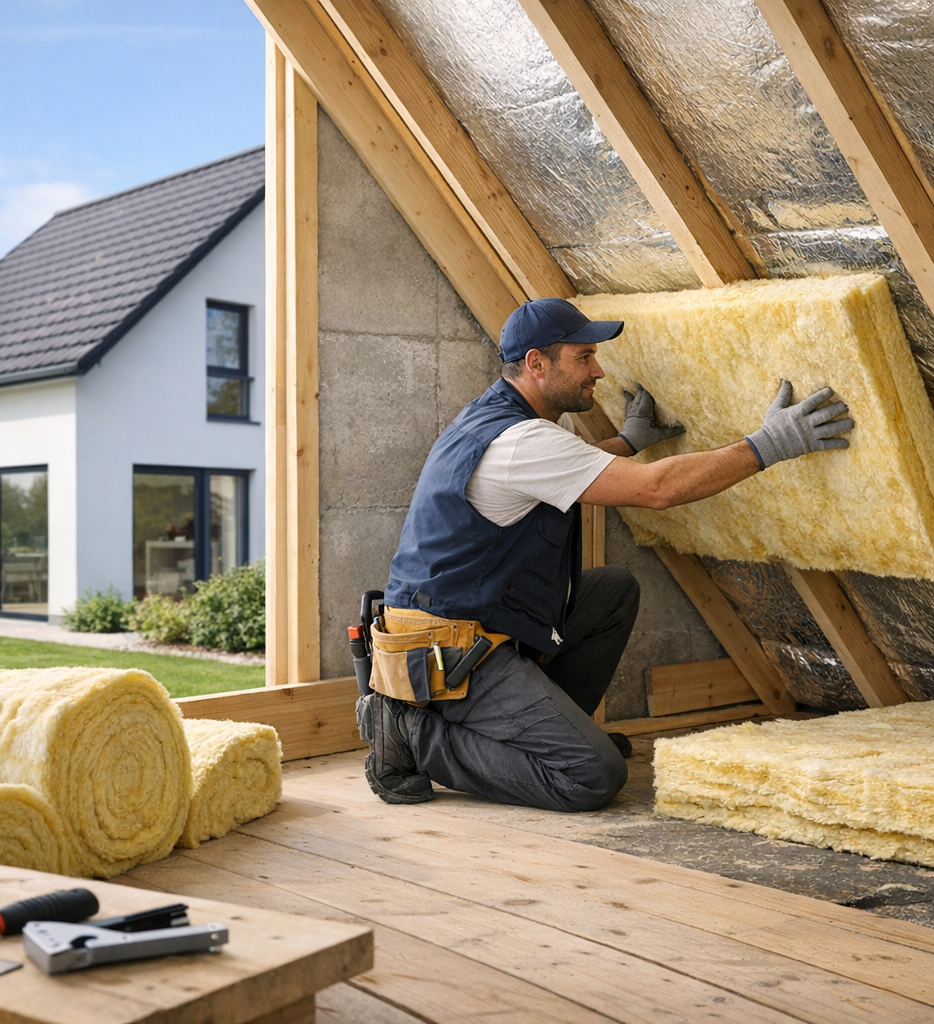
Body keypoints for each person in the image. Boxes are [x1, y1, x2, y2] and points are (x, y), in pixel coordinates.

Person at [356, 297, 855, 811]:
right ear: (536, 363)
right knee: (591, 777)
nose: (598, 370)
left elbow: (569, 468)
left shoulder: (520, 417)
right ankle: (408, 732)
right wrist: (767, 444)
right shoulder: (520, 440)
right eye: (583, 357)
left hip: (476, 625)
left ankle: (553, 738)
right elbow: (657, 490)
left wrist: (627, 442)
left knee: (612, 590)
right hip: (449, 653)